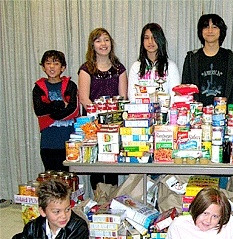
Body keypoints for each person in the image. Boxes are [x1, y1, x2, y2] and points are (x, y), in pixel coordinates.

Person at [78, 27, 128, 191]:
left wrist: (111, 118)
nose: (103, 44)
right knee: (96, 161)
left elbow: (123, 98)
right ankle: (99, 198)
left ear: (111, 43)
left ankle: (112, 196)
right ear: (92, 46)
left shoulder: (119, 69)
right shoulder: (86, 69)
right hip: (93, 124)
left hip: (114, 123)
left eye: (106, 39)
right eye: (98, 40)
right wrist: (99, 117)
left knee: (112, 159)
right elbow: (84, 98)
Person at [33, 50, 80, 172]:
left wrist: (50, 109)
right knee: (51, 178)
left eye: (56, 63)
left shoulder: (71, 85)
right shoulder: (38, 88)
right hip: (48, 142)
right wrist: (59, 104)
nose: (52, 67)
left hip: (69, 142)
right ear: (43, 67)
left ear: (62, 67)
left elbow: (73, 109)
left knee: (68, 179)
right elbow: (39, 110)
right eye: (48, 63)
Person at [182, 14, 233, 106]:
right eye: (206, 27)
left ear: (221, 31)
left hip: (223, 115)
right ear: (201, 31)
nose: (210, 30)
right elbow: (186, 90)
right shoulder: (191, 58)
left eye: (214, 27)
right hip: (197, 114)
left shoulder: (231, 58)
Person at [128, 23, 181, 108]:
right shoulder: (136, 67)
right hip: (142, 115)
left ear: (160, 40)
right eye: (146, 38)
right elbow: (132, 97)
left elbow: (174, 97)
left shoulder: (171, 66)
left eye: (154, 37)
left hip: (164, 116)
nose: (150, 42)